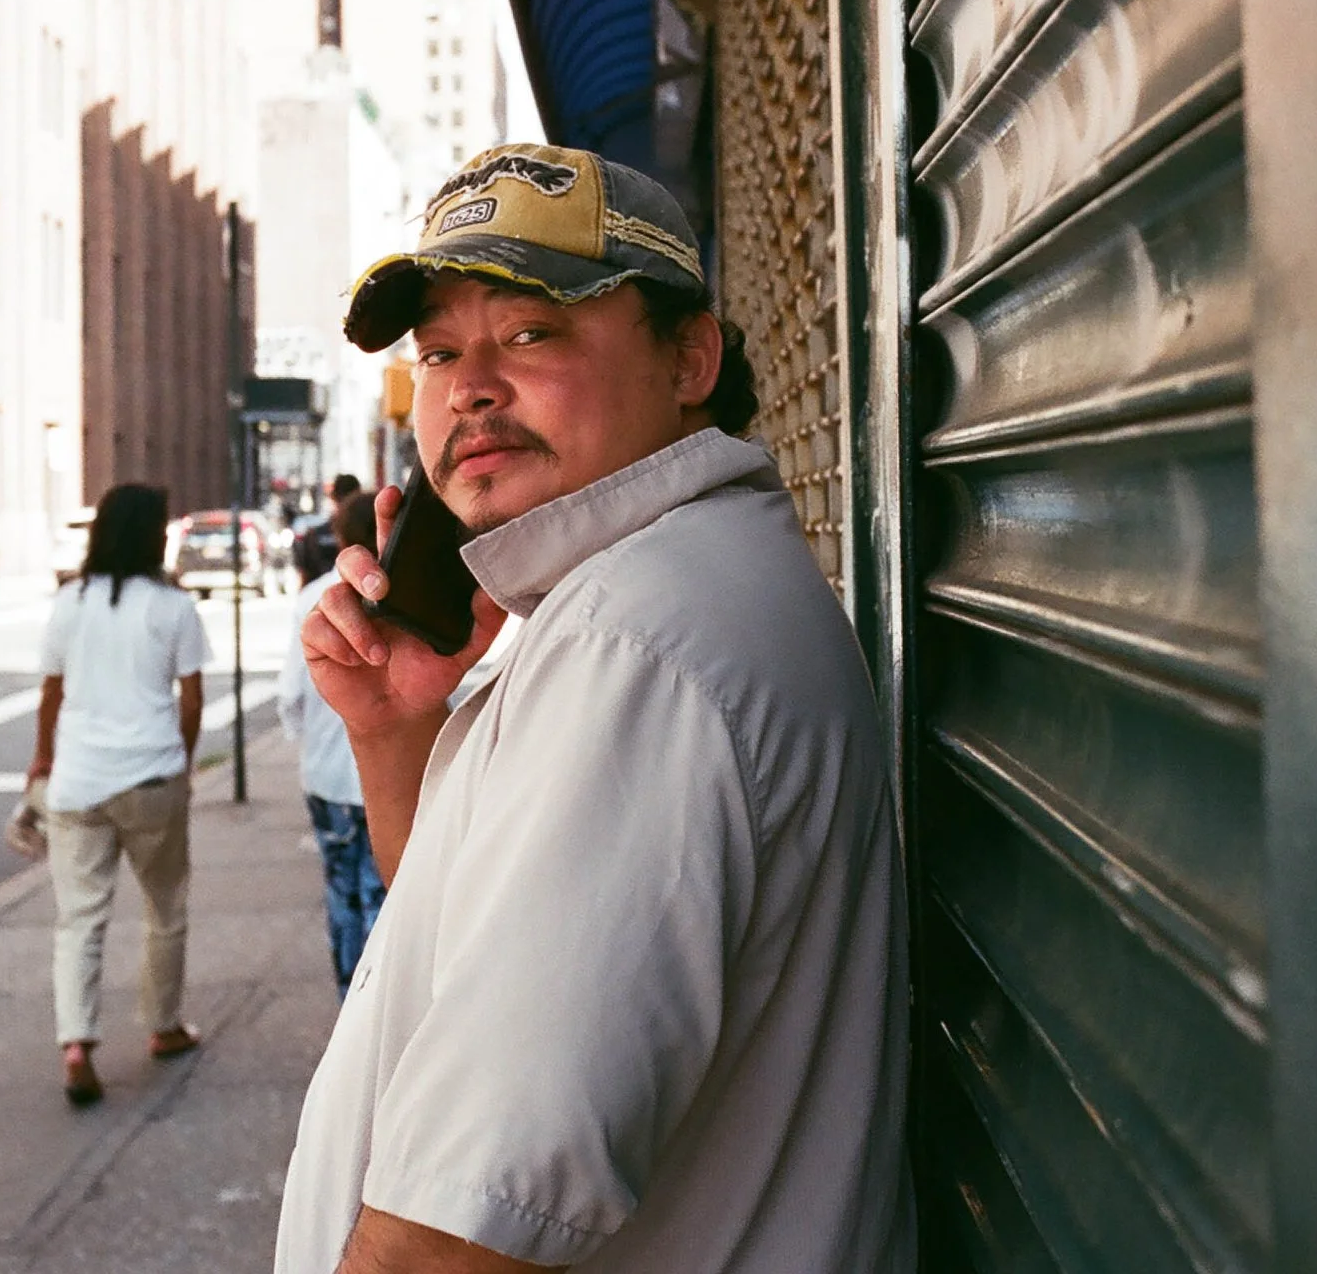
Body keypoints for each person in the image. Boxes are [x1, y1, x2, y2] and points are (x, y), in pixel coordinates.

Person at [276, 145, 908, 1273]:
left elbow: (458, 1227)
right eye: (437, 354)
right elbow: (477, 951)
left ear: (690, 357)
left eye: (530, 332)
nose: (468, 386)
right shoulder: (637, 602)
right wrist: (395, 731)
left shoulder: (634, 647)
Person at [18, 482, 207, 1107]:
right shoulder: (173, 606)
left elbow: (51, 691)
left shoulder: (70, 602)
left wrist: (43, 758)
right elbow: (192, 697)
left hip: (78, 783)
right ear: (153, 536)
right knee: (165, 909)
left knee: (79, 919)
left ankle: (76, 1044)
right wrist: (178, 761)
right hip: (151, 776)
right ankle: (163, 1027)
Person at [278, 490, 386, 998]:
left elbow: (291, 696)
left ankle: (353, 1007)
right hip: (392, 777)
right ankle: (387, 1010)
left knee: (342, 893)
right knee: (390, 898)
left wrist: (304, 742)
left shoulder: (313, 598)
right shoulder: (408, 591)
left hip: (327, 774)